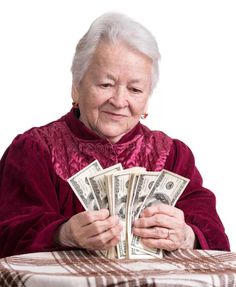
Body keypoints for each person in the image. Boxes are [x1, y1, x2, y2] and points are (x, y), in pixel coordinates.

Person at [0, 12, 230, 258]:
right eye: (105, 84)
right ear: (76, 87)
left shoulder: (172, 156)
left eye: (135, 89)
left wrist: (187, 235)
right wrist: (62, 233)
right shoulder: (35, 151)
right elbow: (6, 234)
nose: (120, 101)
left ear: (147, 99)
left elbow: (216, 237)